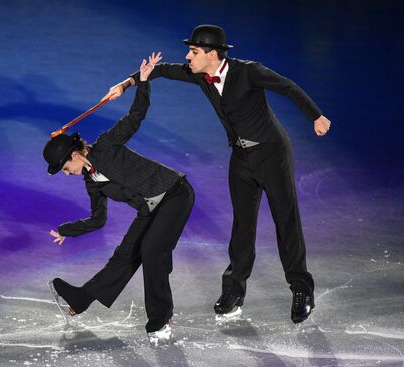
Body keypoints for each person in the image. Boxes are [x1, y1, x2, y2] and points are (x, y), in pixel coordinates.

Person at [104, 25, 331, 323]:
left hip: (272, 153)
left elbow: (288, 86)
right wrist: (127, 83)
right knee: (242, 225)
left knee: (285, 220)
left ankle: (301, 289)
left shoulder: (250, 72)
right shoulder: (200, 75)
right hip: (241, 157)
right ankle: (234, 291)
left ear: (212, 54)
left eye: (194, 52)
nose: (187, 56)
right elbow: (161, 71)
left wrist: (316, 115)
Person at [44, 54, 194, 344]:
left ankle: (160, 319)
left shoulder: (106, 145)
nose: (67, 174)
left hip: (174, 194)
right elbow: (98, 220)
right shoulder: (91, 183)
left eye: (65, 168)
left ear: (75, 155)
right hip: (149, 209)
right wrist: (66, 230)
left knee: (152, 252)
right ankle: (81, 299)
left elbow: (135, 117)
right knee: (126, 255)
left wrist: (143, 82)